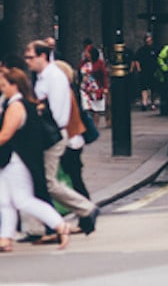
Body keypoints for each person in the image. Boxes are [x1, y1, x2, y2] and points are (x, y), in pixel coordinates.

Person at [25, 40, 99, 238]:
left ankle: (84, 210)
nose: (28, 61)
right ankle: (44, 226)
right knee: (40, 182)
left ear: (43, 56)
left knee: (49, 182)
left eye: (30, 57)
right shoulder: (41, 77)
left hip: (53, 137)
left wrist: (46, 133)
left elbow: (59, 114)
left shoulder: (55, 77)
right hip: (48, 136)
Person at [0, 67, 70, 252]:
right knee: (5, 201)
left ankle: (60, 225)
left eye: (4, 85)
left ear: (15, 86)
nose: (2, 88)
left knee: (22, 200)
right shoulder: (15, 103)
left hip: (16, 160)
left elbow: (5, 135)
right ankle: (5, 239)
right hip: (10, 160)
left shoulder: (16, 106)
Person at [54, 61, 90, 200]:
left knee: (74, 179)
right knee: (74, 178)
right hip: (74, 139)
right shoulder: (68, 91)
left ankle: (86, 208)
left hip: (71, 140)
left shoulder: (65, 93)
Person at [79, 46, 108, 128]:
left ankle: (95, 125)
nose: (85, 54)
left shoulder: (99, 63)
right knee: (87, 107)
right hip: (85, 88)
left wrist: (105, 87)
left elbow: (104, 75)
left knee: (96, 108)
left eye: (87, 52)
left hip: (96, 87)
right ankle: (89, 125)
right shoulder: (83, 63)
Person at [133, 33, 157, 111]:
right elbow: (136, 59)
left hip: (153, 71)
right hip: (144, 71)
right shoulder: (141, 50)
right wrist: (138, 68)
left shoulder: (155, 49)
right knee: (144, 88)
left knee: (153, 88)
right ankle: (144, 103)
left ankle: (153, 103)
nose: (148, 42)